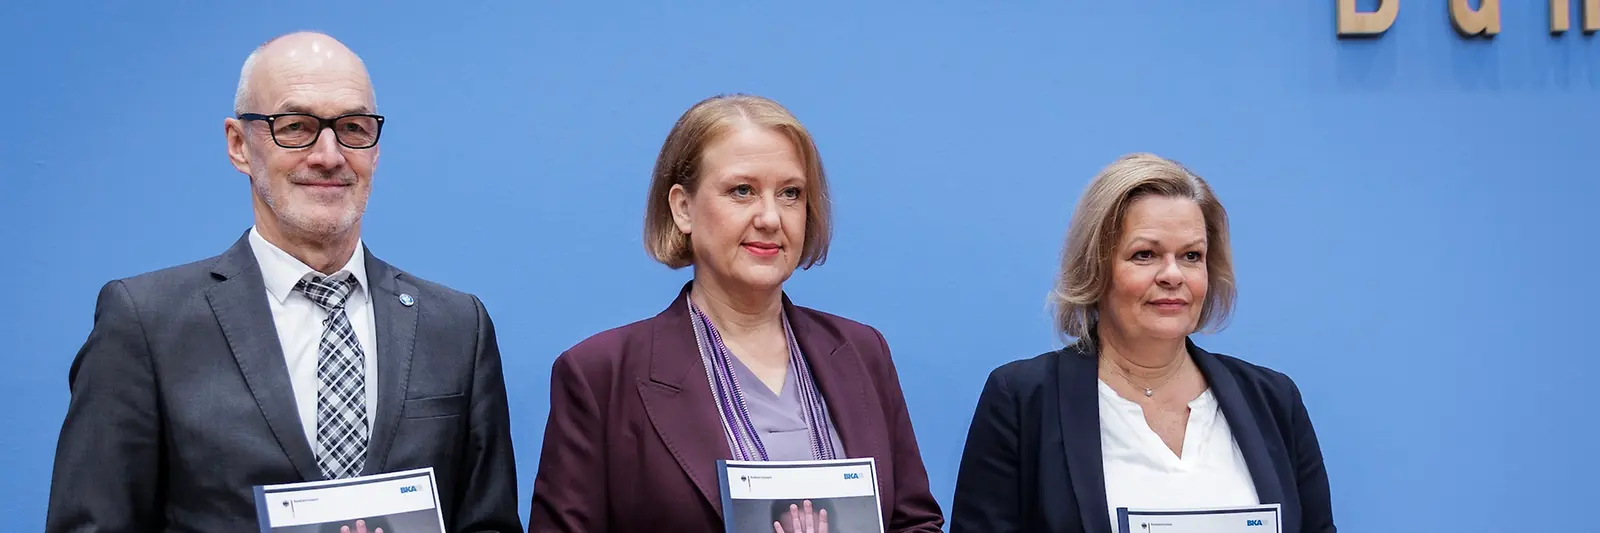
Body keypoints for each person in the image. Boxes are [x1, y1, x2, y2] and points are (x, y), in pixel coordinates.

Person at [43, 32, 521, 532]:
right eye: (296, 127)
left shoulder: (456, 327)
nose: (329, 155)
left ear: (376, 151)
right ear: (239, 145)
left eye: (354, 128)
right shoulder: (146, 323)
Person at [526, 94, 944, 532]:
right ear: (682, 208)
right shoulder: (600, 374)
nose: (769, 217)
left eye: (790, 194)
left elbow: (915, 522)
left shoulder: (862, 352)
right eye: (741, 191)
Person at [948, 153, 1335, 533]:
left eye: (1191, 256)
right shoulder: (1024, 400)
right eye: (1145, 254)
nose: (1172, 275)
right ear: (1096, 267)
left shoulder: (1272, 401)